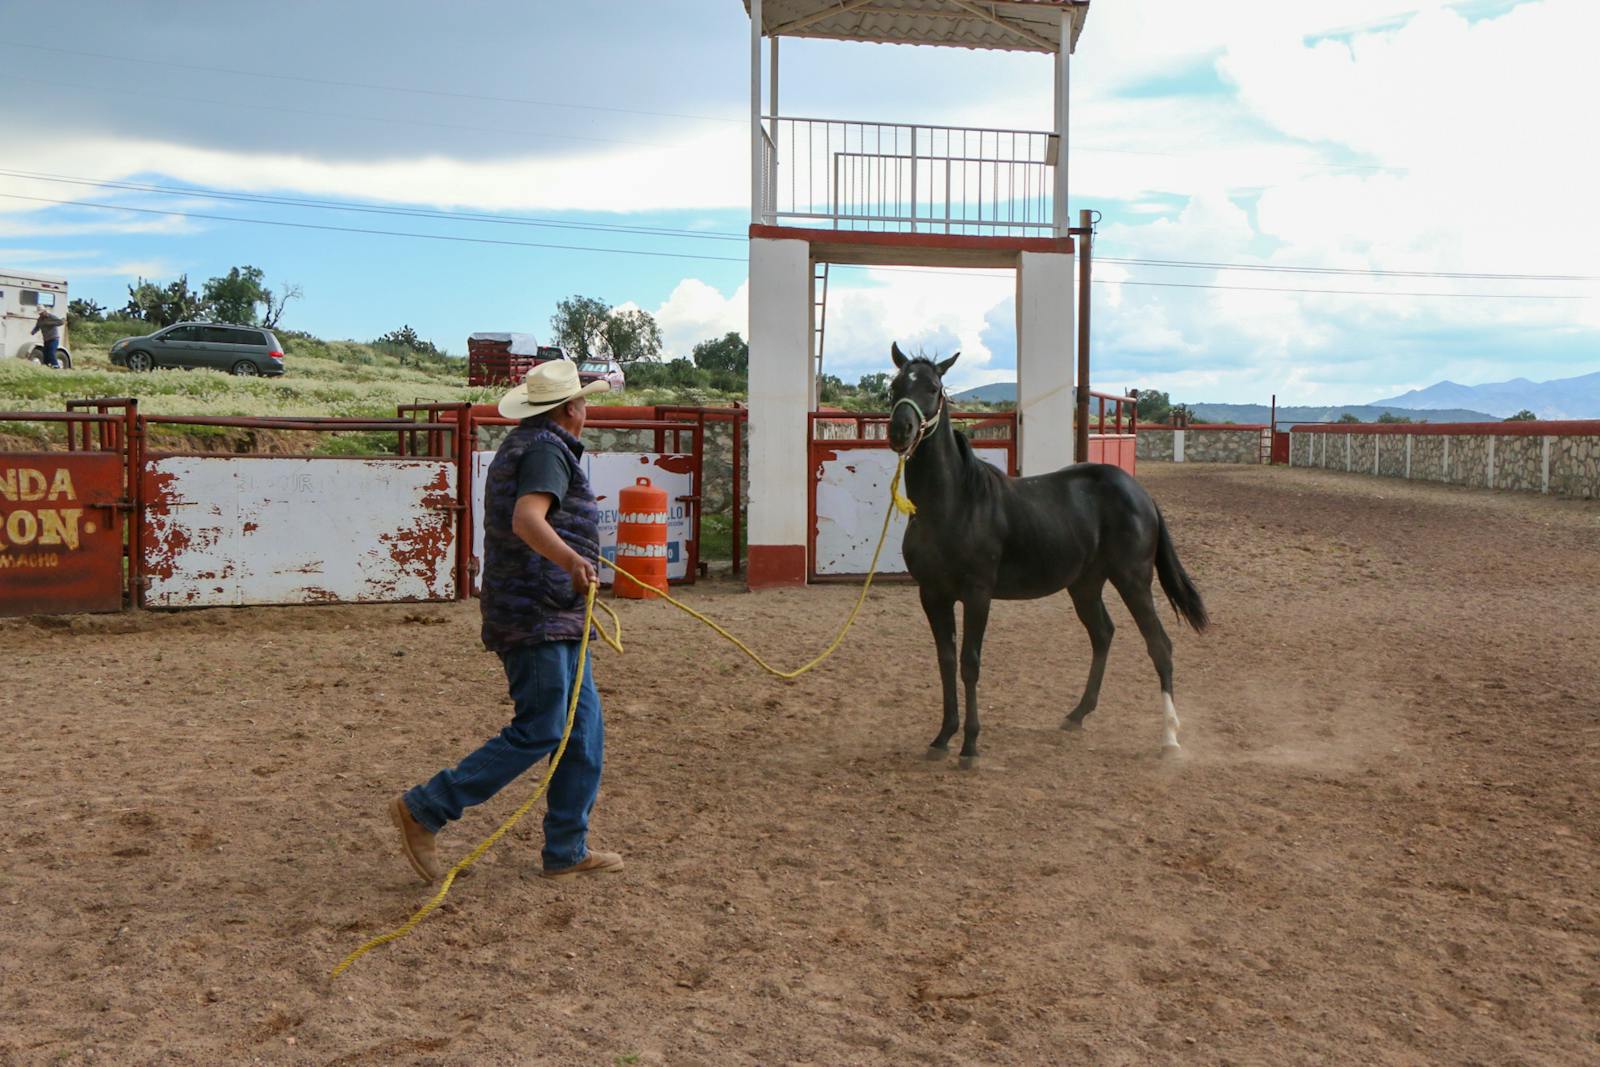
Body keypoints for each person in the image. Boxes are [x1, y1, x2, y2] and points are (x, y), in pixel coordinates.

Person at [391, 359, 624, 882]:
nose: (586, 411)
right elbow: (527, 518)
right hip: (538, 611)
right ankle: (426, 807)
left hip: (552, 610)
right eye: (584, 403)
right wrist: (572, 561)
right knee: (543, 727)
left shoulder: (531, 445)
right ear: (571, 408)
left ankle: (567, 848)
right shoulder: (546, 450)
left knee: (581, 731)